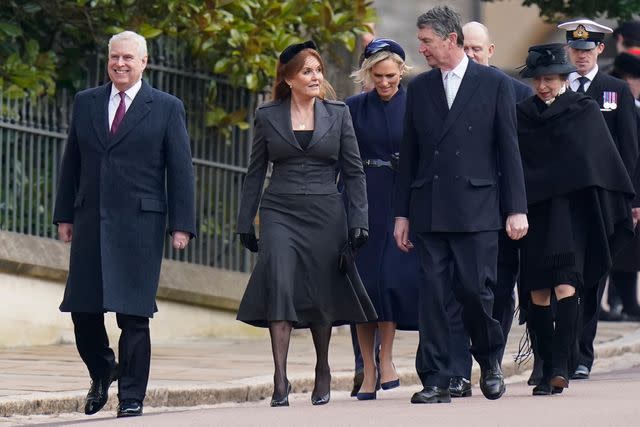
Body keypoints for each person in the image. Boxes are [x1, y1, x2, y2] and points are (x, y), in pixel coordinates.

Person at [53, 31, 196, 418]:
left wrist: (182, 224)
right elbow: (73, 163)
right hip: (90, 221)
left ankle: (132, 397)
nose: (120, 64)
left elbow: (180, 169)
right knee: (83, 309)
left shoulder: (166, 107)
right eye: (114, 57)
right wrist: (64, 214)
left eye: (128, 58)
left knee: (133, 315)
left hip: (140, 225)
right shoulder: (87, 102)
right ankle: (103, 371)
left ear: (144, 62)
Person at [394, 6, 529, 404]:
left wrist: (516, 208)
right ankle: (435, 378)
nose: (421, 50)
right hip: (430, 208)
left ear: (450, 40)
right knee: (433, 295)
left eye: (426, 42)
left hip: (478, 208)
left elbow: (509, 151)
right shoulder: (418, 88)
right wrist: (401, 213)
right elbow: (410, 153)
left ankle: (488, 361)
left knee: (476, 292)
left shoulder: (494, 83)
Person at [236, 40, 376, 407]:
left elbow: (354, 172)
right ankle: (280, 378)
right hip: (279, 210)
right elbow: (254, 173)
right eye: (307, 71)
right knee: (280, 284)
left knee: (320, 292)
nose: (315, 77)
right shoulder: (267, 116)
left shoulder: (338, 113)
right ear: (289, 78)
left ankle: (323, 369)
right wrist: (244, 221)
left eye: (317, 70)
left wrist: (359, 221)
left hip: (326, 213)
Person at [517, 43, 635, 395]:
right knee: (536, 291)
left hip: (570, 216)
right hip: (534, 214)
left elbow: (601, 164)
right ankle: (543, 360)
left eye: (550, 79)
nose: (543, 86)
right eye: (537, 79)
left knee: (567, 286)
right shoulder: (521, 114)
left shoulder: (584, 111)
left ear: (564, 77)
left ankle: (561, 366)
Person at [444, 21, 533, 399]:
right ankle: (458, 370)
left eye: (478, 49)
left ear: (491, 51)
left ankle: (491, 361)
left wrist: (518, 208)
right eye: (466, 47)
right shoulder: (442, 88)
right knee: (457, 290)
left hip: (500, 212)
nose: (472, 54)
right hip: (457, 211)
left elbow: (522, 157)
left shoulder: (517, 93)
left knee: (496, 290)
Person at [558, 18, 640, 380]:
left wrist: (631, 199)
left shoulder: (615, 90)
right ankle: (561, 349)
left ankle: (582, 353)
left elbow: (629, 149)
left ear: (600, 50)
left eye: (587, 50)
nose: (580, 56)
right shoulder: (556, 86)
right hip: (563, 199)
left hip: (604, 200)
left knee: (593, 276)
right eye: (575, 50)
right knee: (563, 275)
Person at [346, 38, 419, 401]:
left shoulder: (416, 104)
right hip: (363, 199)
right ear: (367, 74)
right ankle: (369, 369)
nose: (385, 82)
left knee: (390, 280)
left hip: (401, 197)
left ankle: (387, 357)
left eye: (391, 75)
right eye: (378, 76)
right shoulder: (353, 107)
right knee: (364, 286)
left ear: (401, 71)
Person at [607, 21, 640, 321]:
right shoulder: (616, 99)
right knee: (621, 249)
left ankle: (626, 302)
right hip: (621, 186)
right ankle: (620, 302)